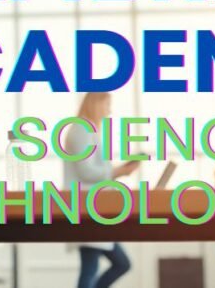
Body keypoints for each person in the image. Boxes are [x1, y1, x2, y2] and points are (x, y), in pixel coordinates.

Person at [63, 92, 139, 288]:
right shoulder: (81, 129)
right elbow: (86, 171)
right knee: (90, 268)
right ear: (96, 104)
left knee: (119, 264)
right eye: (107, 105)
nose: (109, 110)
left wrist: (116, 172)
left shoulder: (90, 131)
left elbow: (94, 169)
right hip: (86, 208)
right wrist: (117, 172)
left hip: (95, 208)